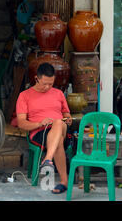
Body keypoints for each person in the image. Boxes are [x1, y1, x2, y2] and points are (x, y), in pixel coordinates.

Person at [16, 62, 72, 194]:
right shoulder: (24, 96)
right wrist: (39, 123)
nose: (47, 87)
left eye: (51, 84)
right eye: (44, 83)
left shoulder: (58, 94)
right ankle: (64, 182)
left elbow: (66, 113)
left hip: (61, 127)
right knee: (58, 140)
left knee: (58, 122)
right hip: (40, 132)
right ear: (36, 78)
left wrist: (68, 118)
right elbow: (21, 123)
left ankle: (47, 159)